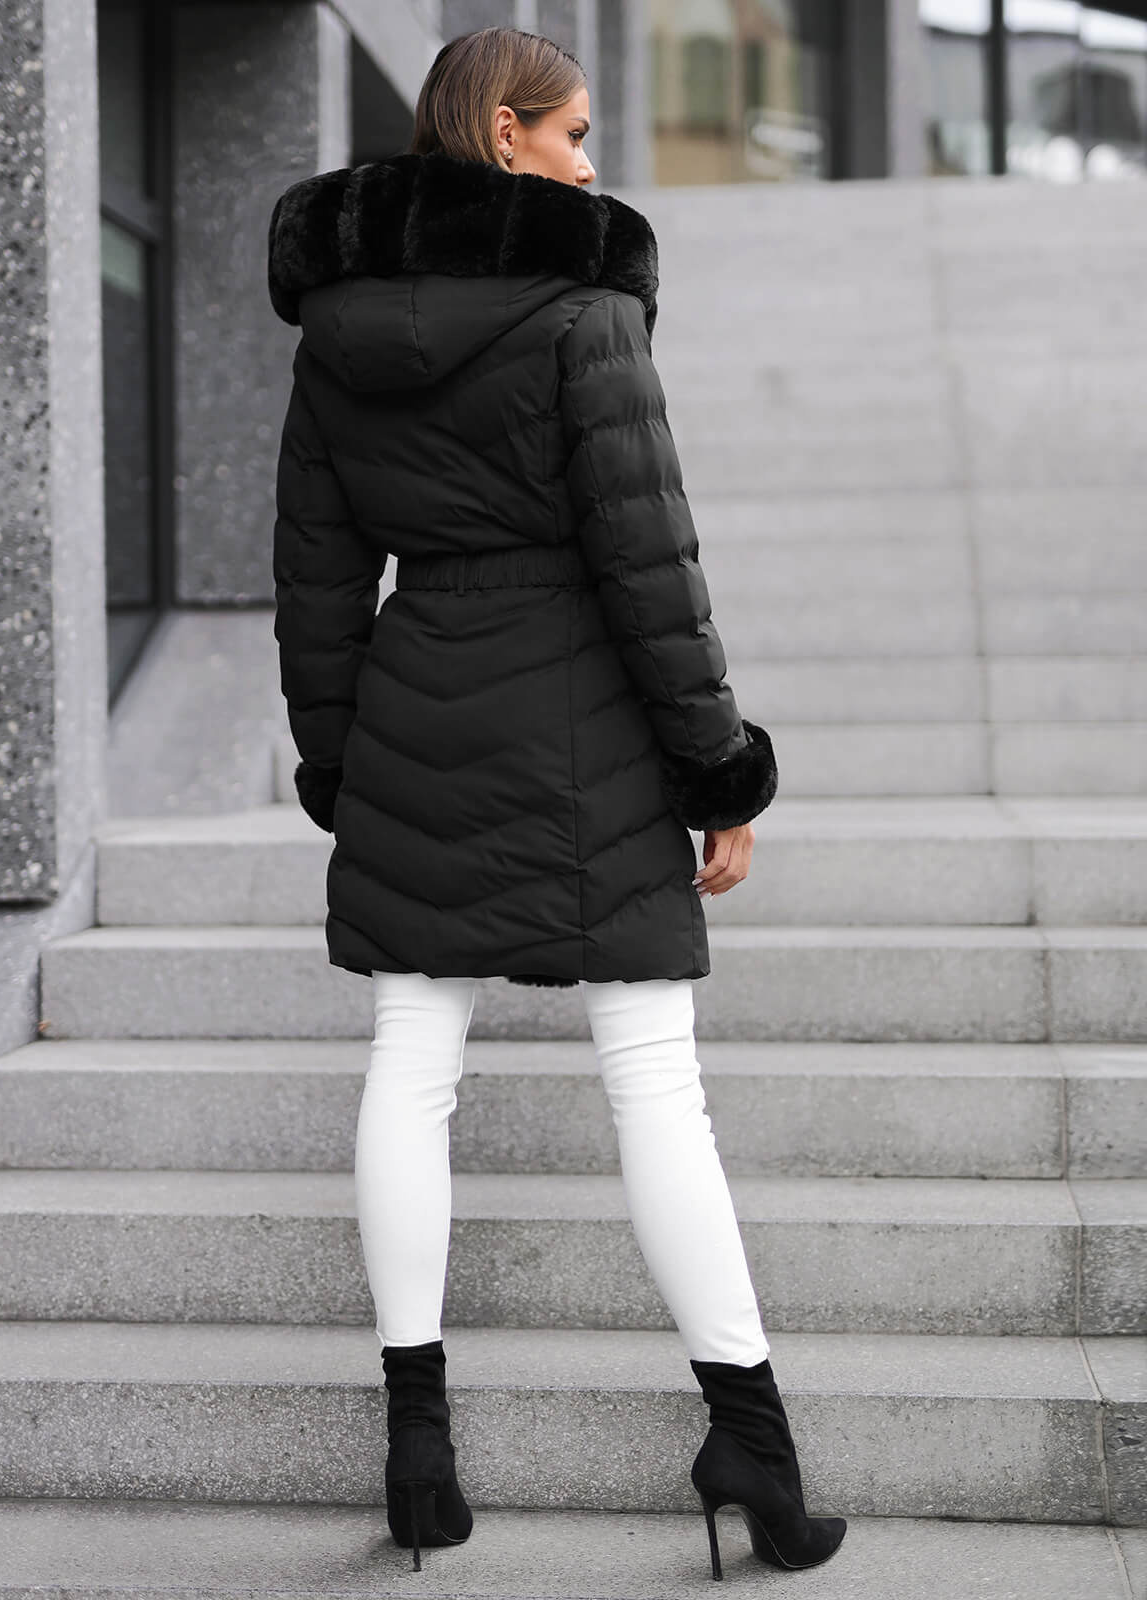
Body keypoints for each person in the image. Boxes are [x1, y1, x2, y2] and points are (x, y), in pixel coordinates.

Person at [267, 23, 846, 1583]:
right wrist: (716, 767)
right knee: (654, 1084)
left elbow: (316, 581)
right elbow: (651, 567)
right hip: (584, 712)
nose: (593, 165)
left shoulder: (333, 330)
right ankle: (753, 1447)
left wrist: (341, 764)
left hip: (414, 710)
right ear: (506, 134)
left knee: (411, 1068)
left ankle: (419, 1450)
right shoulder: (585, 318)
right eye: (575, 133)